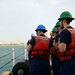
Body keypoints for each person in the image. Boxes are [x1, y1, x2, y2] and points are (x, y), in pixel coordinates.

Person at [58, 11, 75, 75]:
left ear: (64, 21)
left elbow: (62, 50)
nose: (60, 23)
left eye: (60, 21)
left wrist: (59, 44)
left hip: (68, 62)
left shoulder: (64, 32)